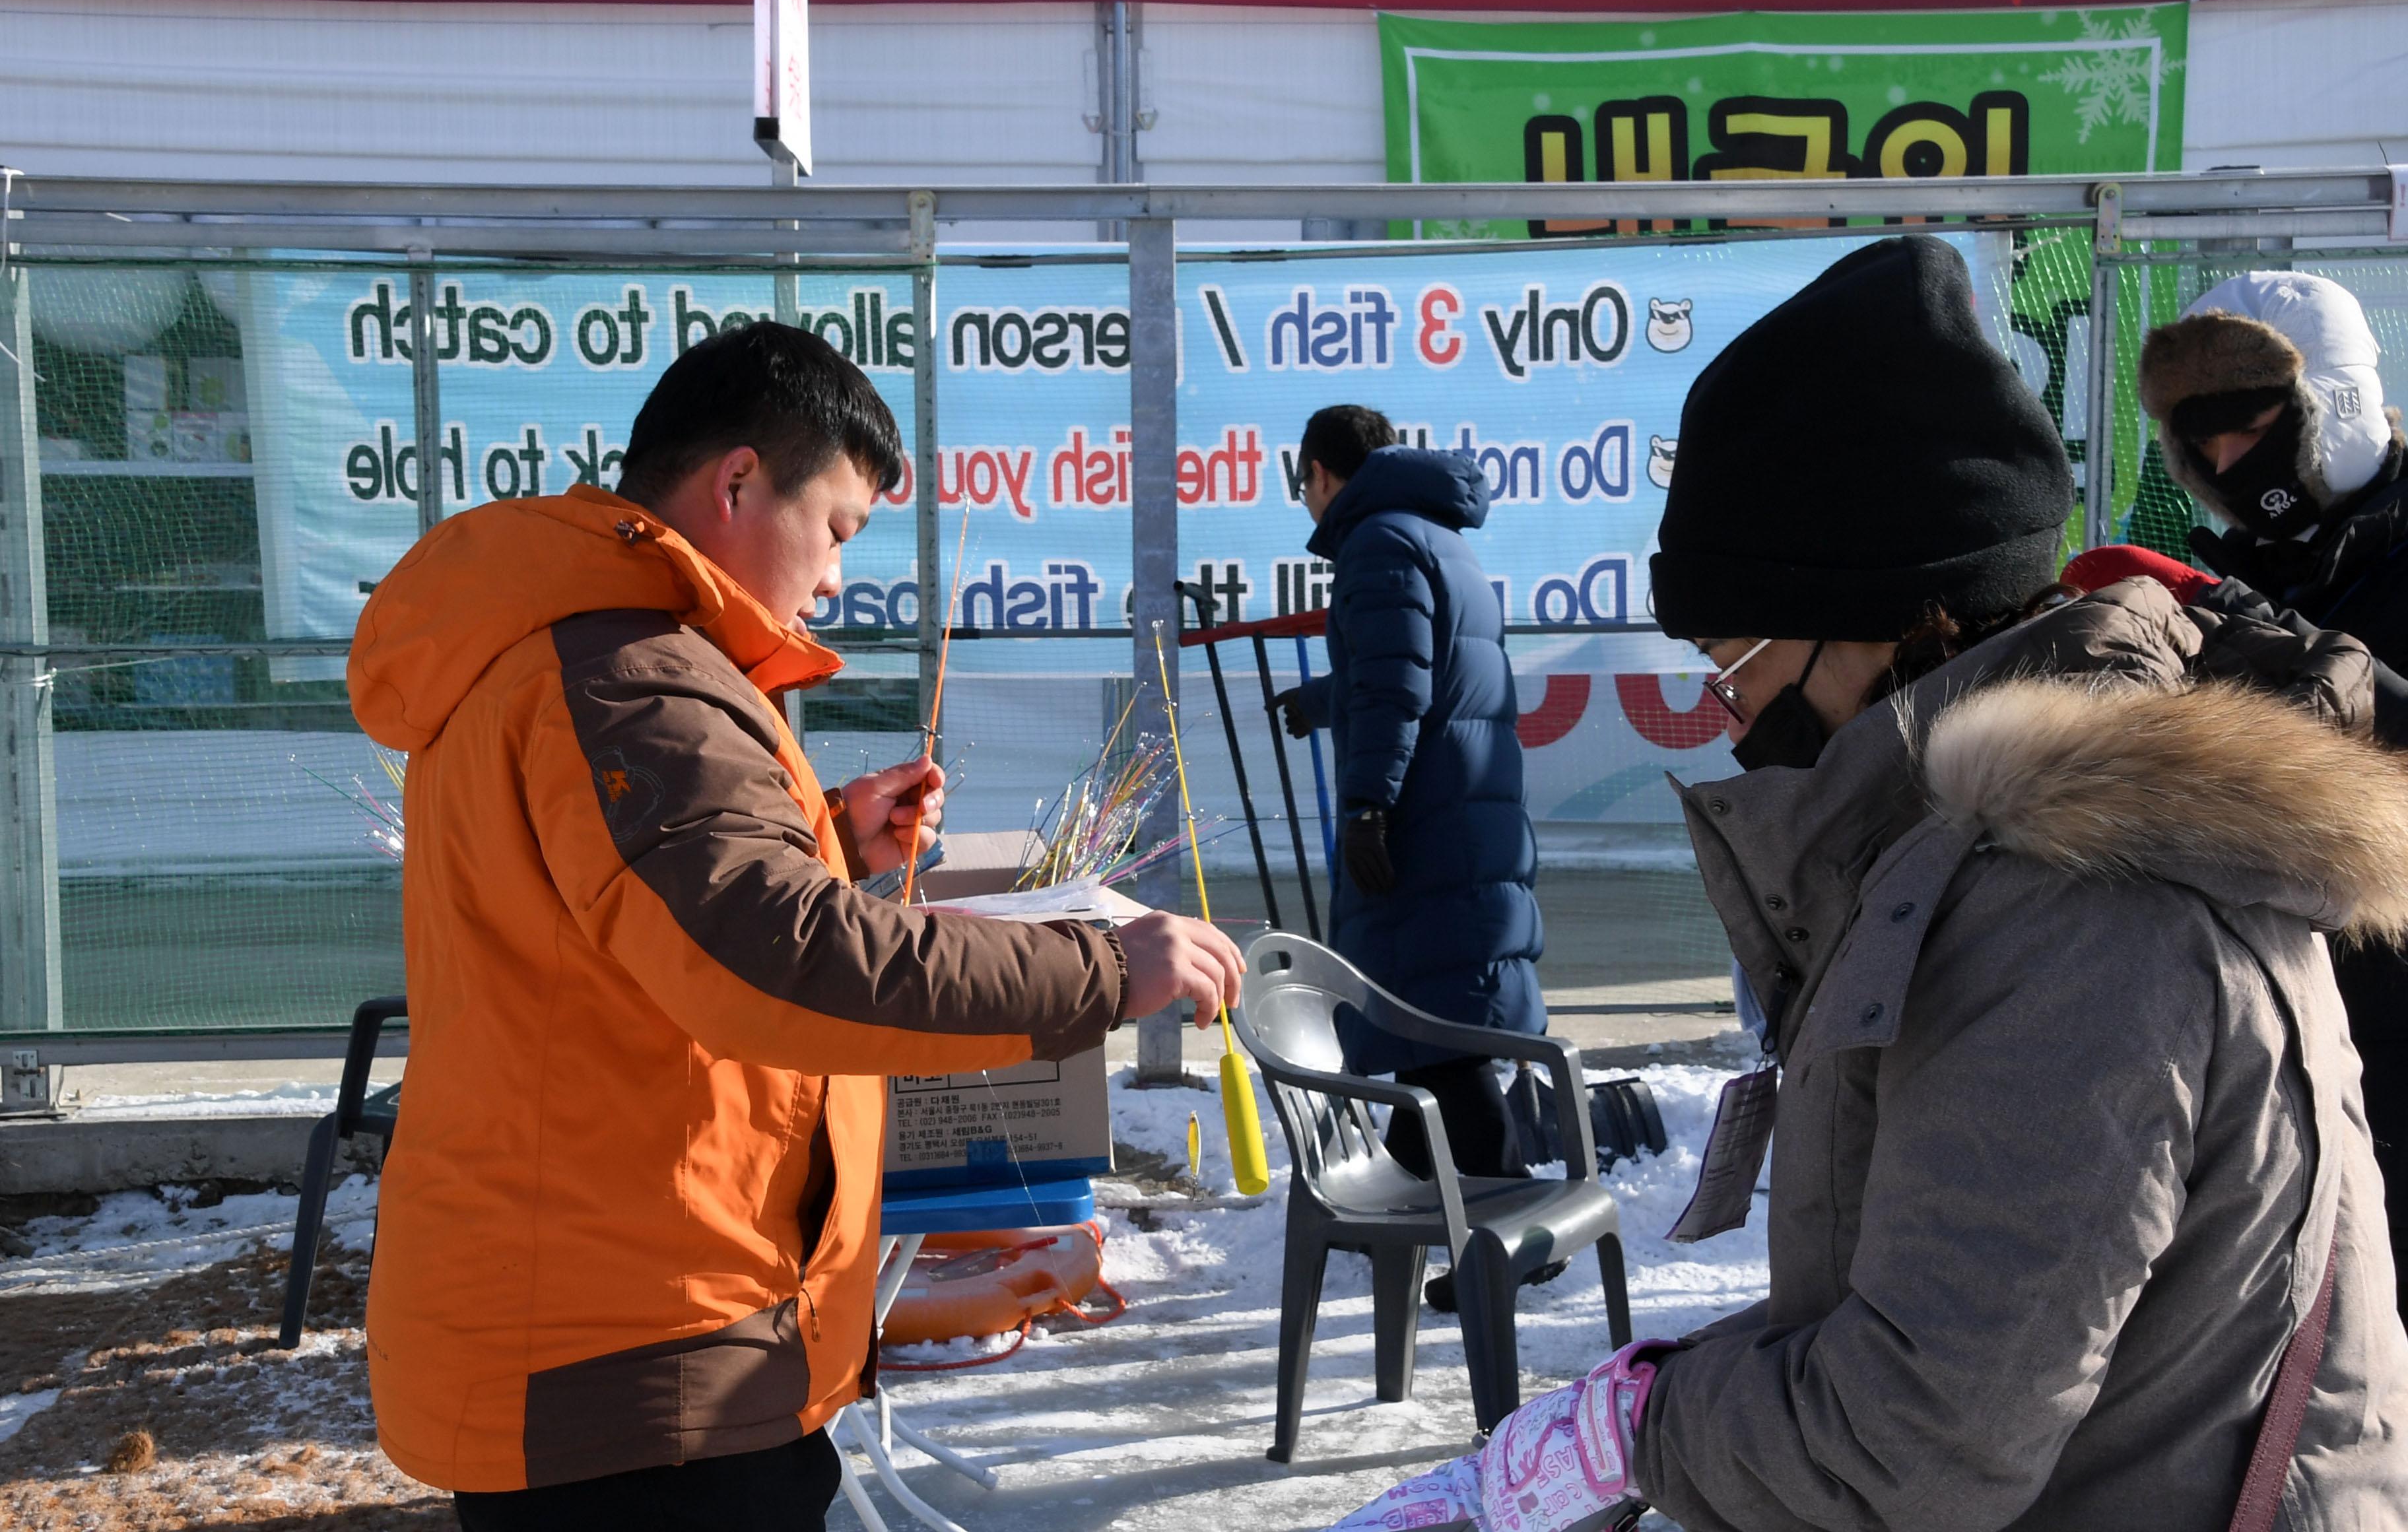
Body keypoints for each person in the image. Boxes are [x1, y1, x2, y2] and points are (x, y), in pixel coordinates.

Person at [1332, 236, 2408, 1530]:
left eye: (1736, 656)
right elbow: (1944, 1303)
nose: (1729, 712)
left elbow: (1914, 1441)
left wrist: (1641, 1428)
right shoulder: (1983, 865)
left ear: (1878, 611)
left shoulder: (2071, 914)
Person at [345, 321, 1242, 1529]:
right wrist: (1098, 968)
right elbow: (780, 957)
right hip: (639, 1351)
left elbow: (626, 913)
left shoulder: (581, 652)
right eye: (835, 531)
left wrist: (826, 830)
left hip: (619, 1317)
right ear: (735, 483)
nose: (832, 581)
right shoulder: (633, 677)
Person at [2133, 272, 2408, 1323]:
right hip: (2281, 1037)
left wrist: (2344, 680)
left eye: (2246, 431)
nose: (2224, 466)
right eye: (2198, 447)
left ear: (2325, 404)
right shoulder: (2237, 582)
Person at [1273, 403, 1545, 1310]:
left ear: (1320, 473)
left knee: (1437, 1027)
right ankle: (1420, 1190)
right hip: (1463, 809)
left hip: (1427, 817)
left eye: (1302, 482)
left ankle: (1511, 1238)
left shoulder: (1376, 543)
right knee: (1438, 1016)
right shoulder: (1432, 534)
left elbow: (1397, 685)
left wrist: (1367, 806)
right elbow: (1406, 664)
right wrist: (1323, 702)